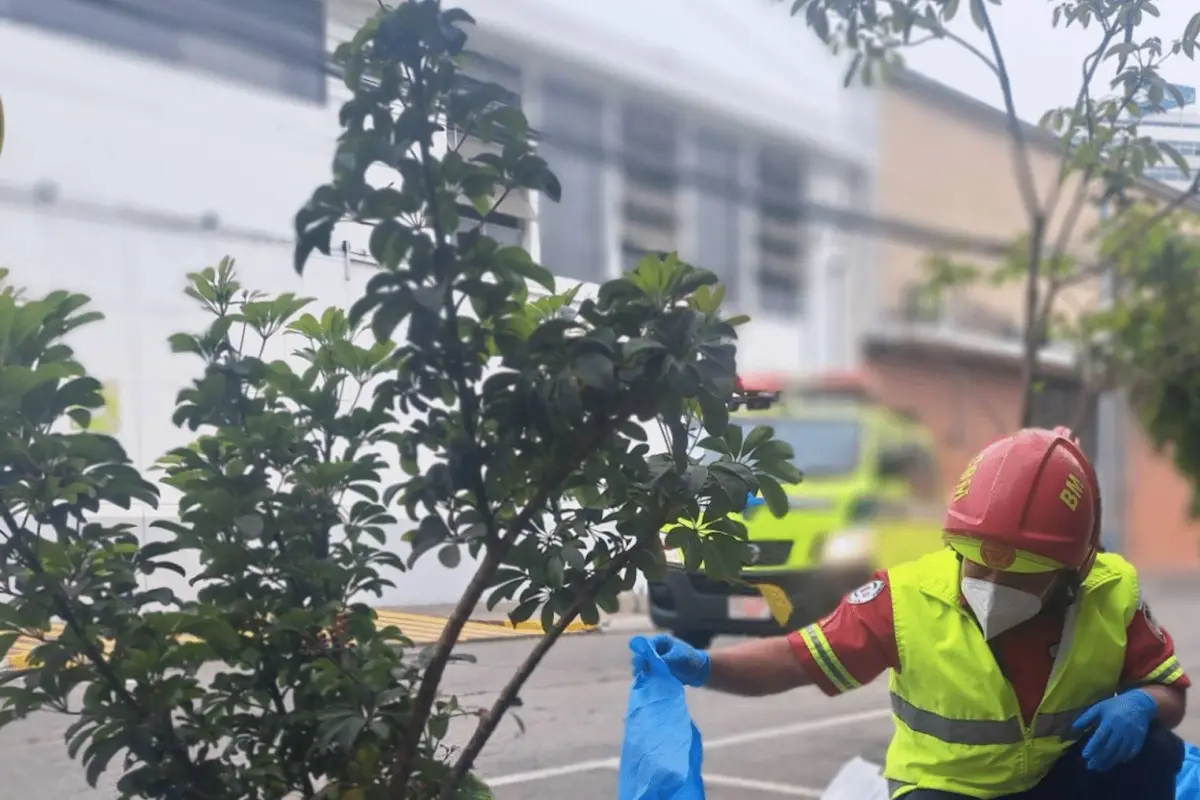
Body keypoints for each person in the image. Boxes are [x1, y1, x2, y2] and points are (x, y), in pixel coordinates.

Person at [646, 427, 1189, 799]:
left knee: (1155, 754)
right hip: (943, 791)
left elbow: (1168, 690)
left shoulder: (1111, 591)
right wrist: (705, 666)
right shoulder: (903, 598)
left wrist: (1142, 704)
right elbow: (794, 660)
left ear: (1073, 569)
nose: (992, 585)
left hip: (1052, 781)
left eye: (1019, 570)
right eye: (976, 563)